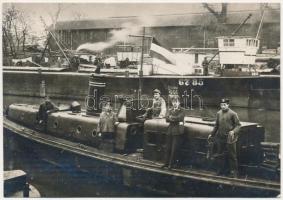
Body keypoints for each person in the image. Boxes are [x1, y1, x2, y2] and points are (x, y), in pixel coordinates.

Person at [208, 98, 241, 177]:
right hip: (220, 137)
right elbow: (216, 125)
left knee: (232, 155)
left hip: (230, 138)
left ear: (228, 105)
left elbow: (238, 125)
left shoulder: (233, 114)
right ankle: (221, 170)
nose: (223, 106)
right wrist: (212, 134)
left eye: (224, 105)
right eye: (221, 105)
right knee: (220, 154)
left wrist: (233, 131)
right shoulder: (218, 113)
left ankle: (234, 172)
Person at [163, 96, 185, 169]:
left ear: (179, 102)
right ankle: (166, 163)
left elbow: (180, 118)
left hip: (177, 131)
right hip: (170, 130)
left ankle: (171, 164)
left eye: (176, 102)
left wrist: (171, 117)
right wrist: (173, 118)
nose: (174, 103)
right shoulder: (170, 109)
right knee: (168, 148)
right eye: (173, 102)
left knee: (174, 149)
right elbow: (166, 118)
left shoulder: (182, 110)